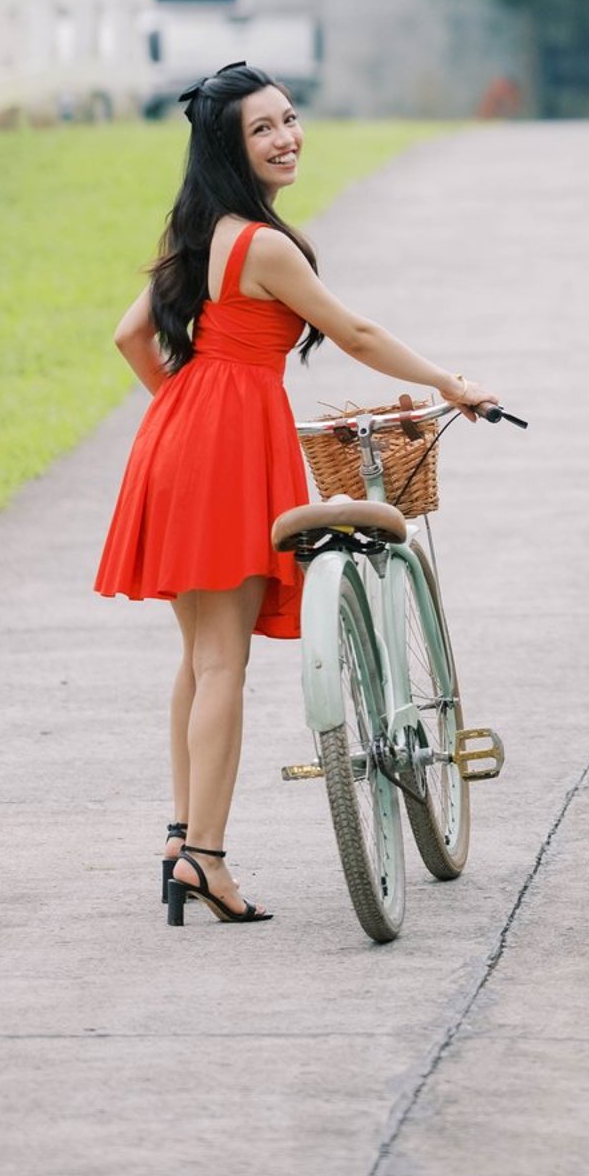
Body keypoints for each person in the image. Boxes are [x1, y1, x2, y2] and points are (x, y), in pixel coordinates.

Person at [94, 61, 501, 924]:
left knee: (200, 660)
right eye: (263, 129)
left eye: (288, 118)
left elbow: (132, 336)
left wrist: (183, 418)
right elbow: (354, 332)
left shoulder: (201, 232)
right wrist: (450, 382)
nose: (286, 138)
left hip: (180, 434)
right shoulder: (263, 245)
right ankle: (205, 859)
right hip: (228, 443)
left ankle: (182, 838)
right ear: (229, 149)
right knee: (222, 664)